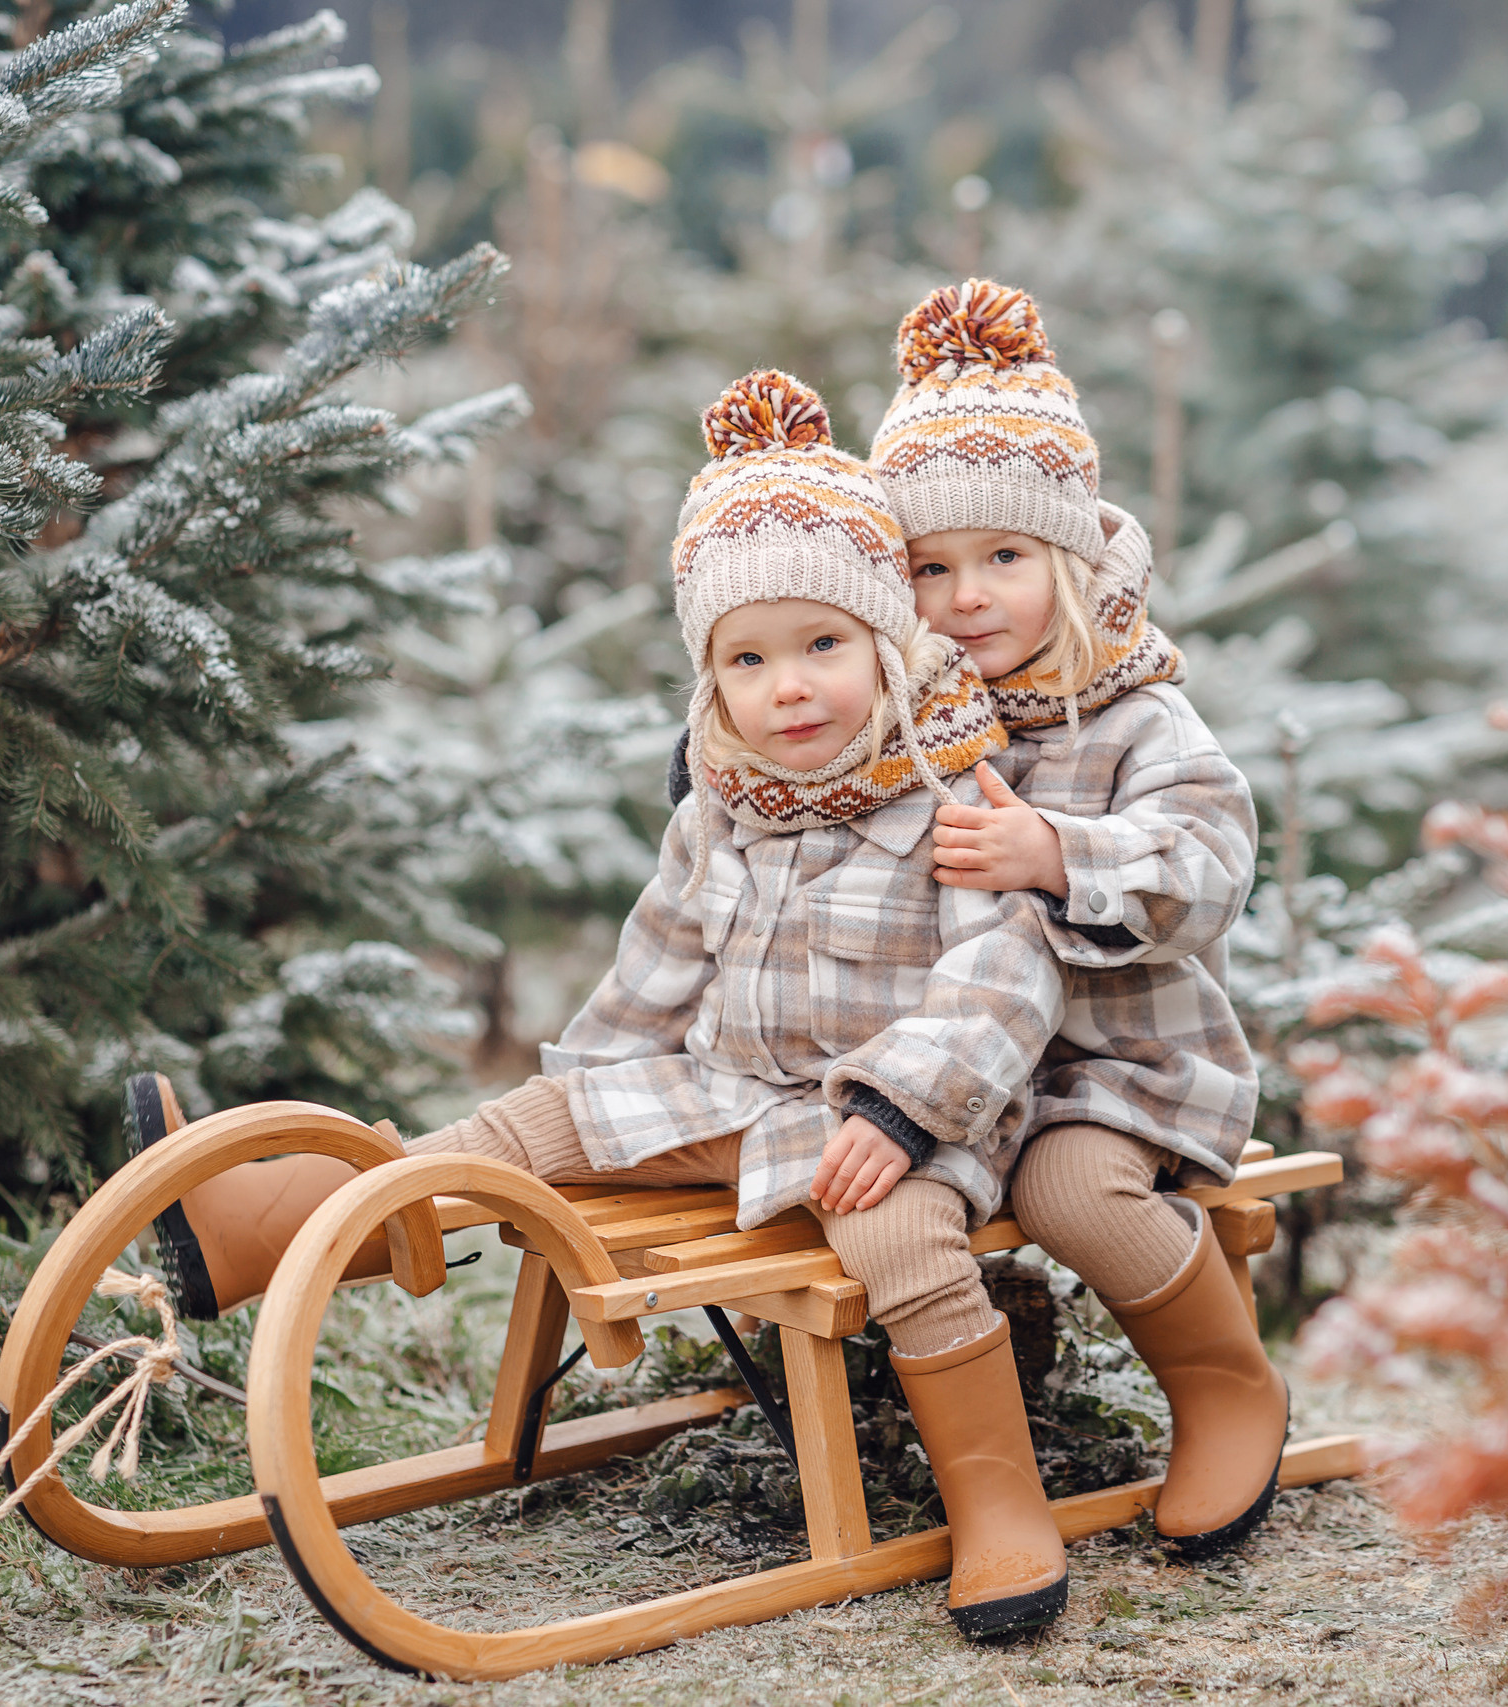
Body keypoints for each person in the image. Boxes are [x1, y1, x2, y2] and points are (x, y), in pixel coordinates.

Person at [147, 370, 1075, 1638]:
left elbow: (1003, 977)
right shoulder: (721, 808)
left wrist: (908, 1115)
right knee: (517, 1133)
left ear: (887, 647)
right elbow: (656, 966)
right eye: (747, 659)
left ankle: (997, 1503)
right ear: (711, 681)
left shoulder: (954, 801)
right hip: (722, 1090)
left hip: (880, 1122)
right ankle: (253, 1236)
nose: (787, 688)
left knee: (903, 1248)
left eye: (822, 647)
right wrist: (580, 1095)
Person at [869, 278, 1281, 1561]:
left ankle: (1224, 1386)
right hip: (952, 1070)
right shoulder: (908, 717)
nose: (967, 597)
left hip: (1116, 1065)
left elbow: (1208, 864)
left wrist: (1058, 851)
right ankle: (945, 1449)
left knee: (1069, 1189)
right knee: (874, 1192)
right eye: (929, 570)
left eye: (1003, 560)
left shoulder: (1135, 716)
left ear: (1070, 560)